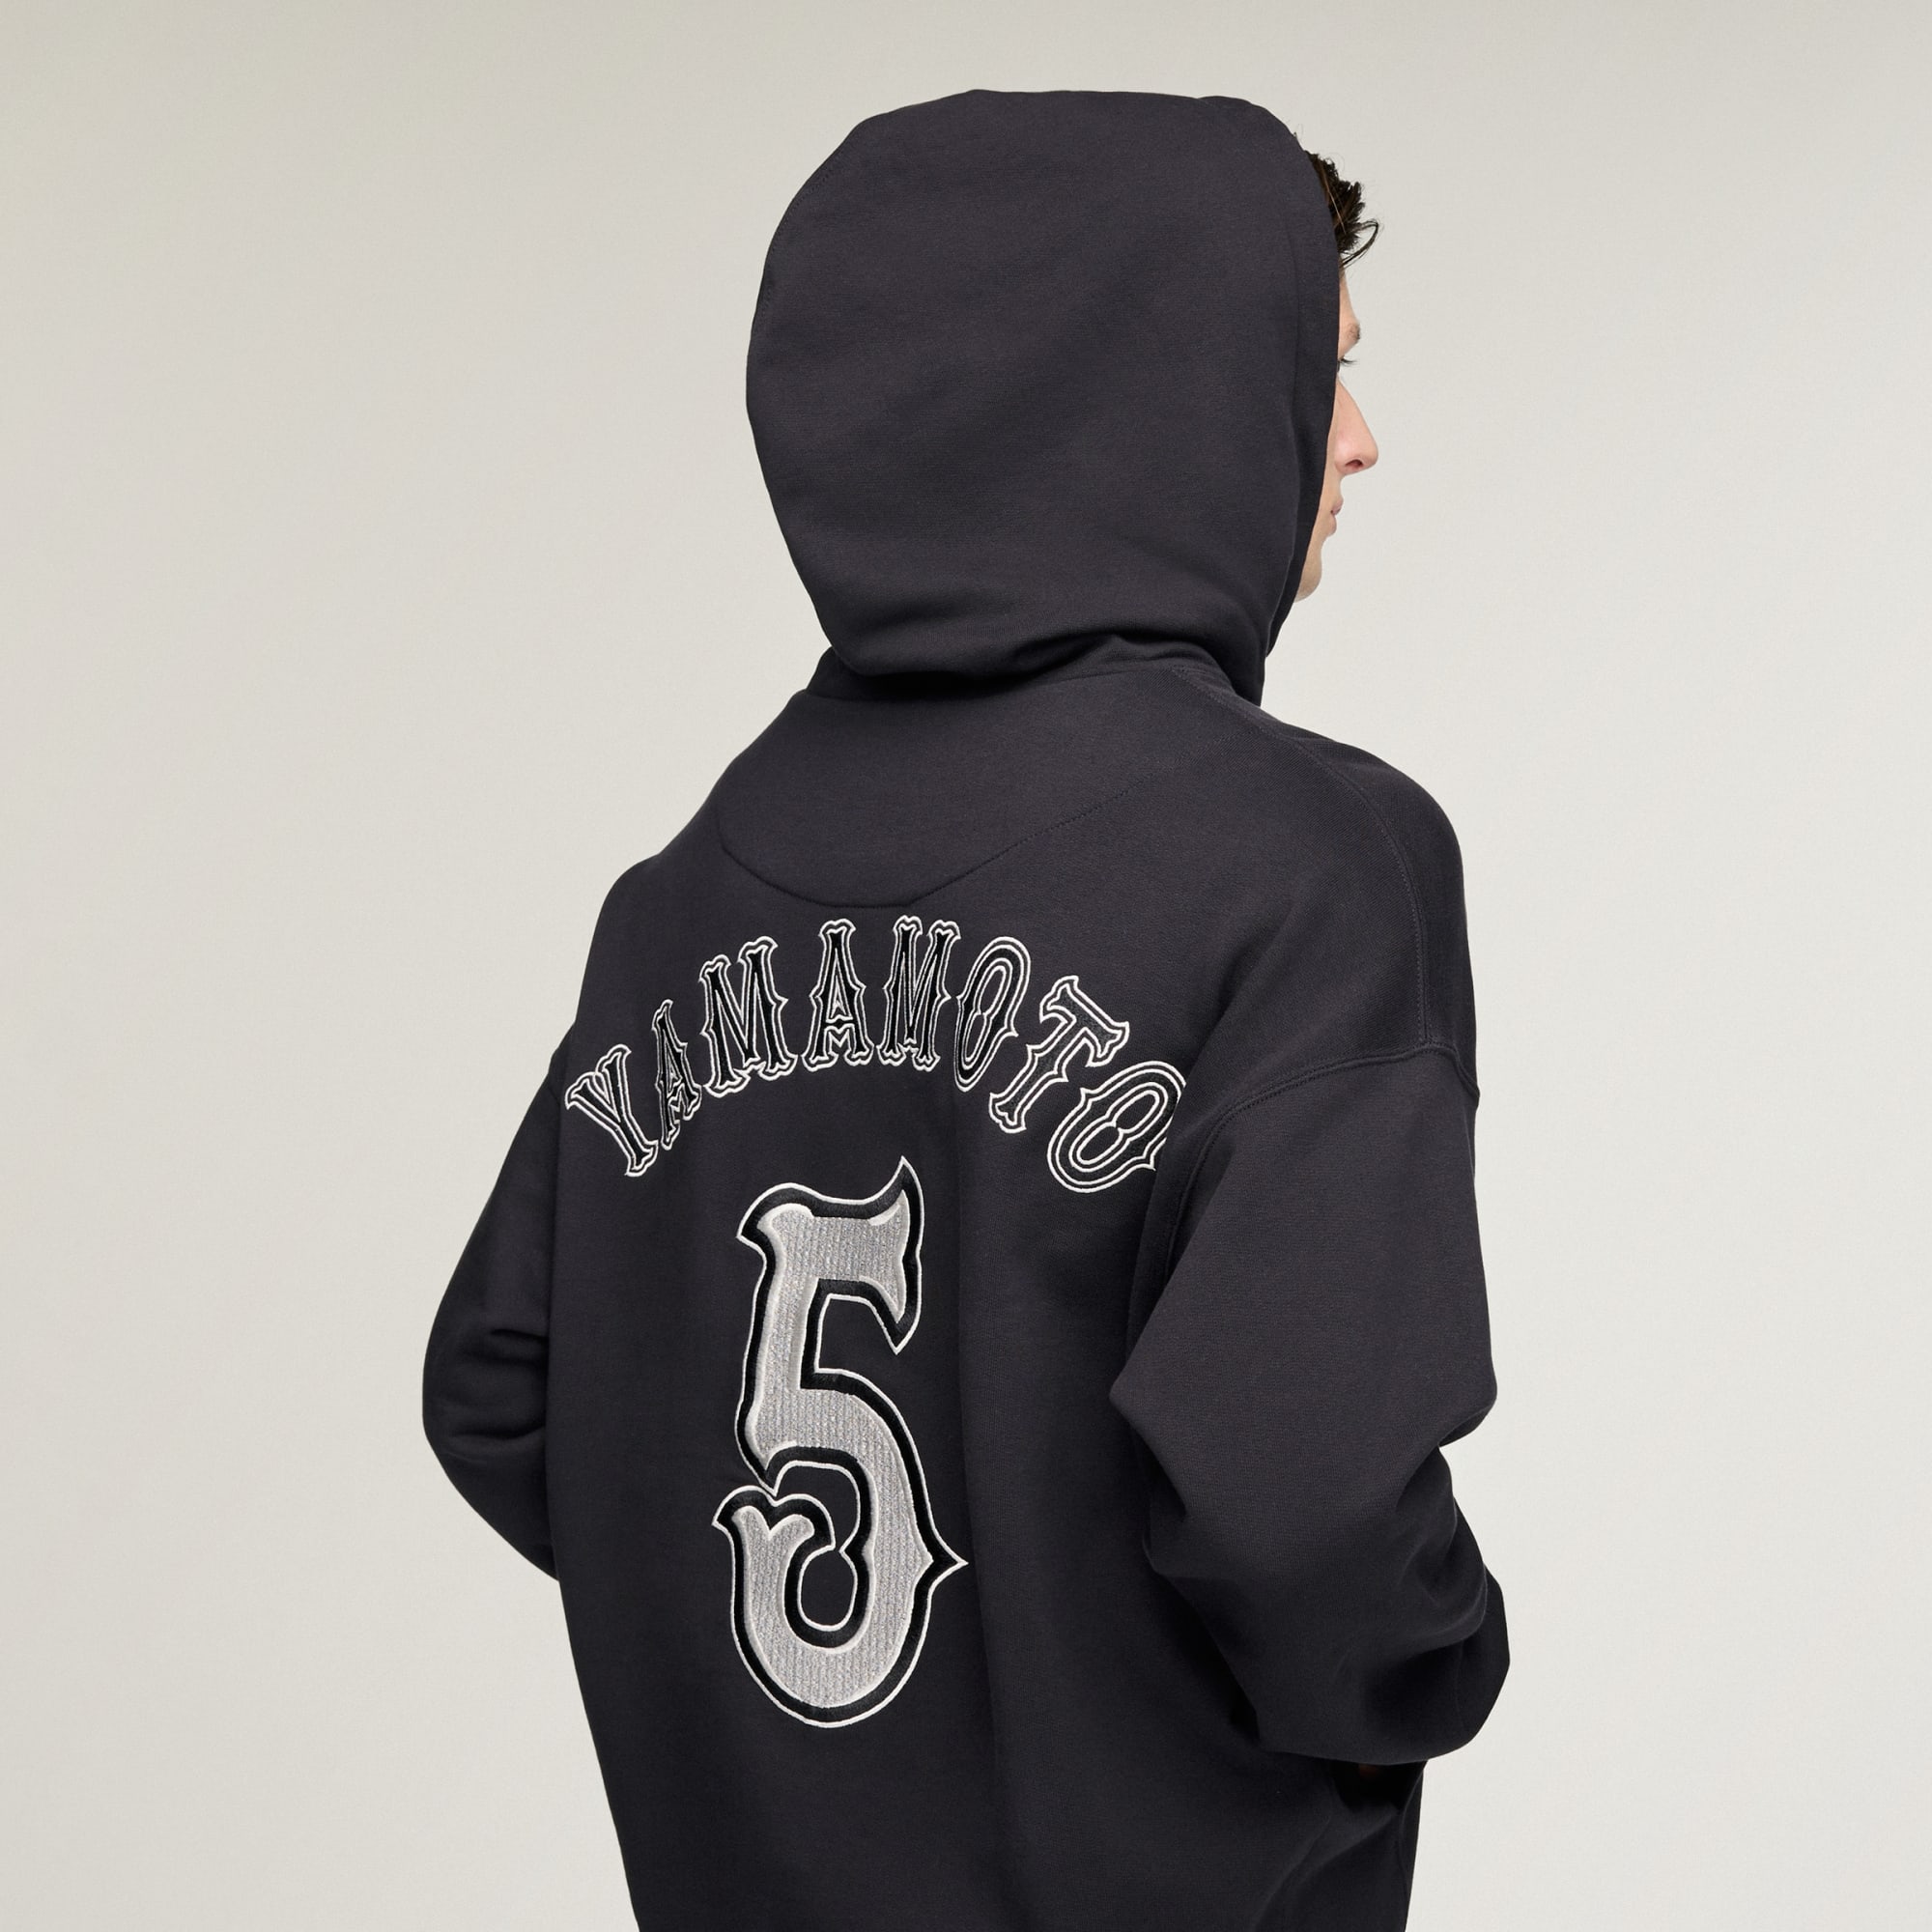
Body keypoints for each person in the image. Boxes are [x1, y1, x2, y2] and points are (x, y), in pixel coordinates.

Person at [423, 87, 1506, 1931]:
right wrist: (1424, 1672)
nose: (1359, 438)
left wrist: (786, 1730)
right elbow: (1302, 1490)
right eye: (1322, 366)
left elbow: (505, 1387)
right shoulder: (1312, 861)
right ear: (1157, 388)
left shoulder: (683, 895)